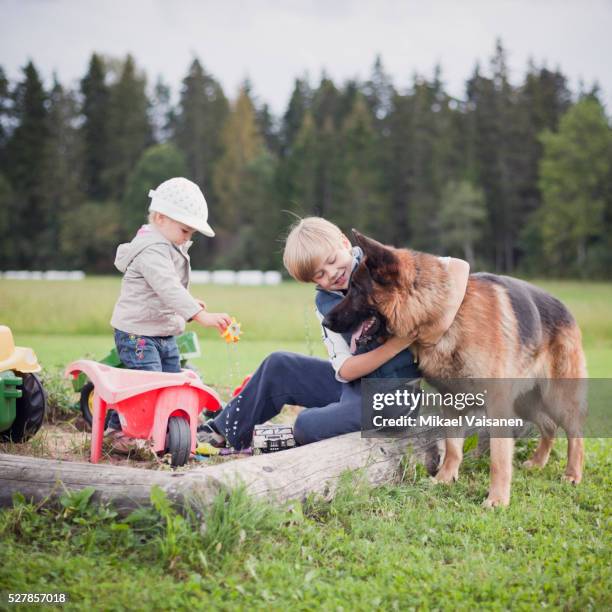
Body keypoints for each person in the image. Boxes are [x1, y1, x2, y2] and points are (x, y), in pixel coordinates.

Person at [198, 217, 469, 450]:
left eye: (332, 261)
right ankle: (222, 432)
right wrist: (401, 341)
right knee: (279, 365)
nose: (332, 273)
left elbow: (458, 266)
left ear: (343, 242)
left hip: (399, 396)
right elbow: (346, 370)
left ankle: (306, 433)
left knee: (306, 424)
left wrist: (440, 324)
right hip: (356, 386)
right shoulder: (326, 304)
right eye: (320, 274)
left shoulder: (381, 265)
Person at [108, 177, 231, 444]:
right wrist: (200, 316)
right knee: (148, 385)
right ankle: (117, 430)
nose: (188, 238)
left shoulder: (167, 244)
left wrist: (188, 301)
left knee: (173, 382)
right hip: (137, 333)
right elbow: (167, 288)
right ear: (161, 217)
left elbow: (168, 289)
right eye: (185, 231)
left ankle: (164, 429)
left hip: (161, 331)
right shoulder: (152, 249)